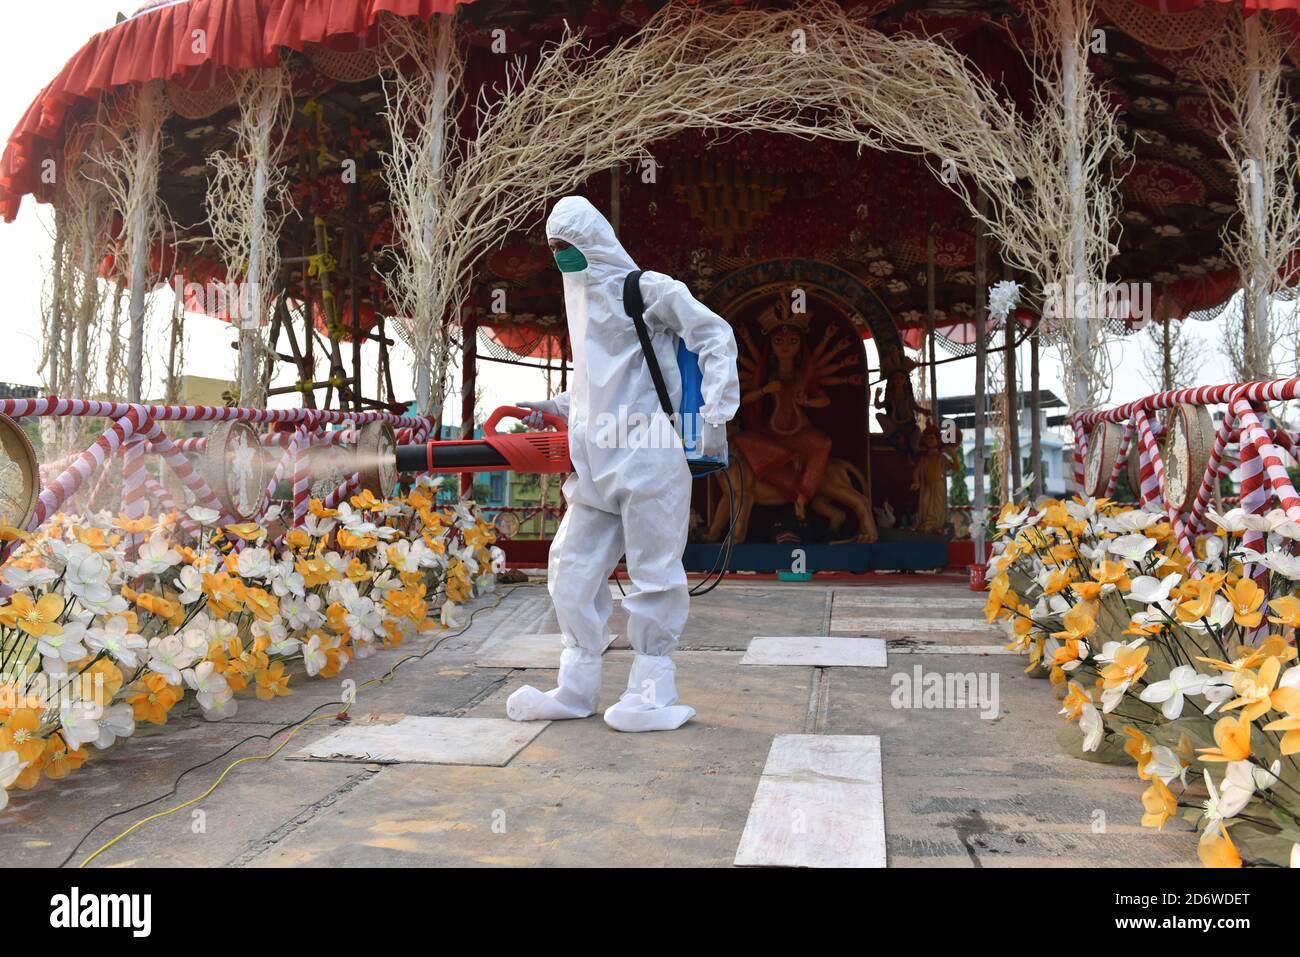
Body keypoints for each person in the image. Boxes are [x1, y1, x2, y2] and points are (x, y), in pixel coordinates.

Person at [506, 195, 739, 732]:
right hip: (594, 466)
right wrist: (555, 407)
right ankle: (575, 687)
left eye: (569, 246)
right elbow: (600, 387)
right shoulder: (580, 303)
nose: (562, 257)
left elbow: (714, 334)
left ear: (593, 240)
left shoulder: (647, 289)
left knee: (654, 575)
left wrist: (717, 409)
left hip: (650, 458)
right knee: (569, 570)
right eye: (555, 249)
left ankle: (652, 693)